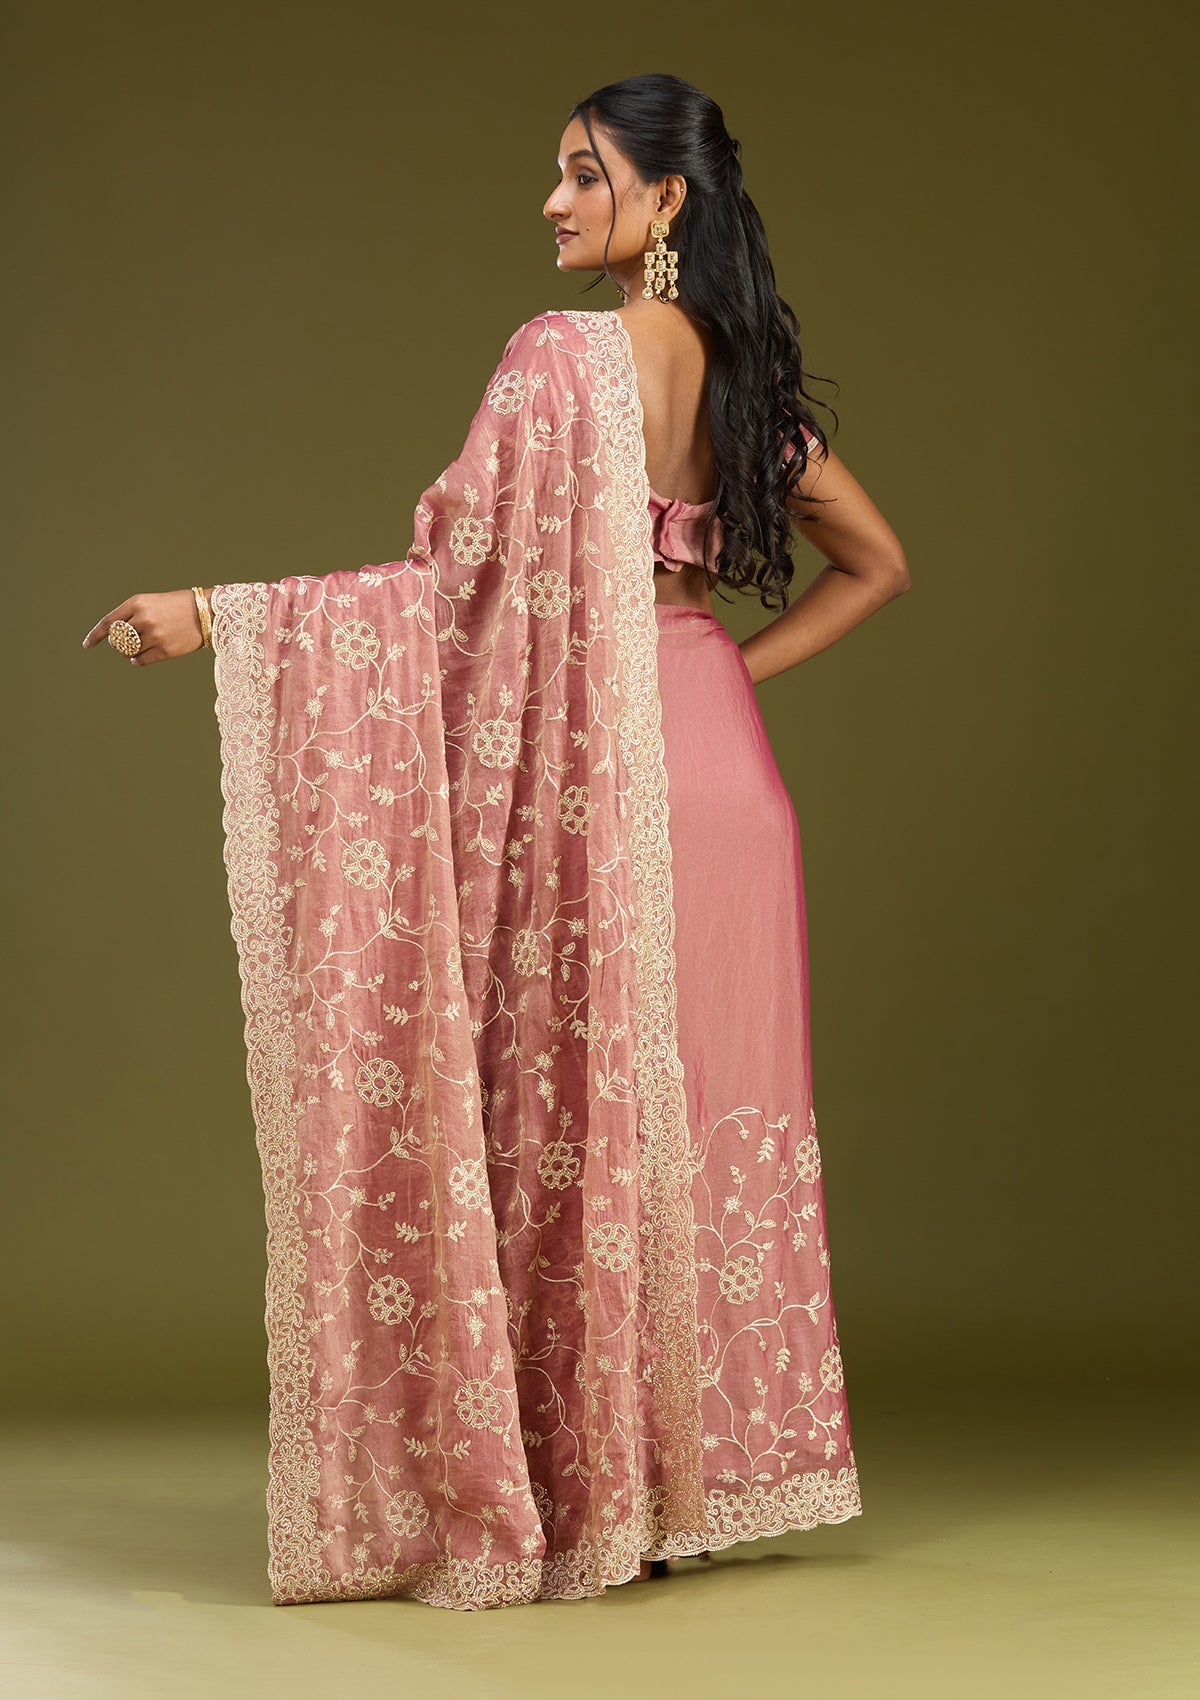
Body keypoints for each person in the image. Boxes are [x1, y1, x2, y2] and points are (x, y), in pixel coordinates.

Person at [81, 73, 909, 1612]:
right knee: (696, 1126)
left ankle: (594, 1493)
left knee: (589, 1117)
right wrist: (721, 673)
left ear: (665, 198)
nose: (554, 201)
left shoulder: (561, 360)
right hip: (728, 777)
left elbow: (449, 589)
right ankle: (684, 1495)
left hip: (613, 771)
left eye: (584, 173)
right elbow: (880, 564)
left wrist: (223, 615)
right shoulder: (746, 387)